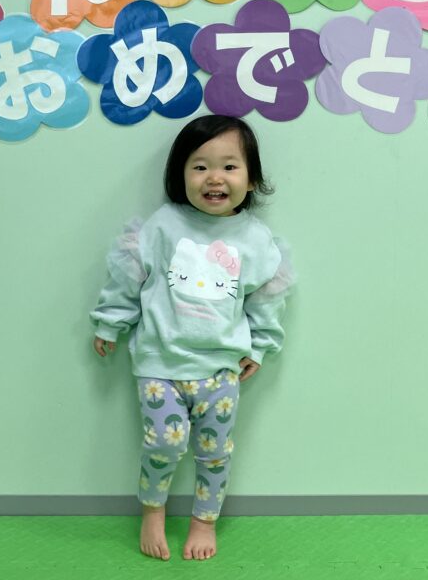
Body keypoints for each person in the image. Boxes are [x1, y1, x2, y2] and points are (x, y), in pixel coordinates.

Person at [91, 114, 293, 562]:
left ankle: (204, 521)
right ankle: (152, 511)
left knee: (215, 452)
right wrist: (109, 322)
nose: (214, 178)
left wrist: (261, 345)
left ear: (251, 178)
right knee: (163, 443)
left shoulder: (255, 239)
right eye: (200, 167)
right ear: (180, 175)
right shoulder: (164, 225)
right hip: (159, 364)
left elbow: (266, 298)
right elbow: (129, 277)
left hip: (220, 370)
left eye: (229, 166)